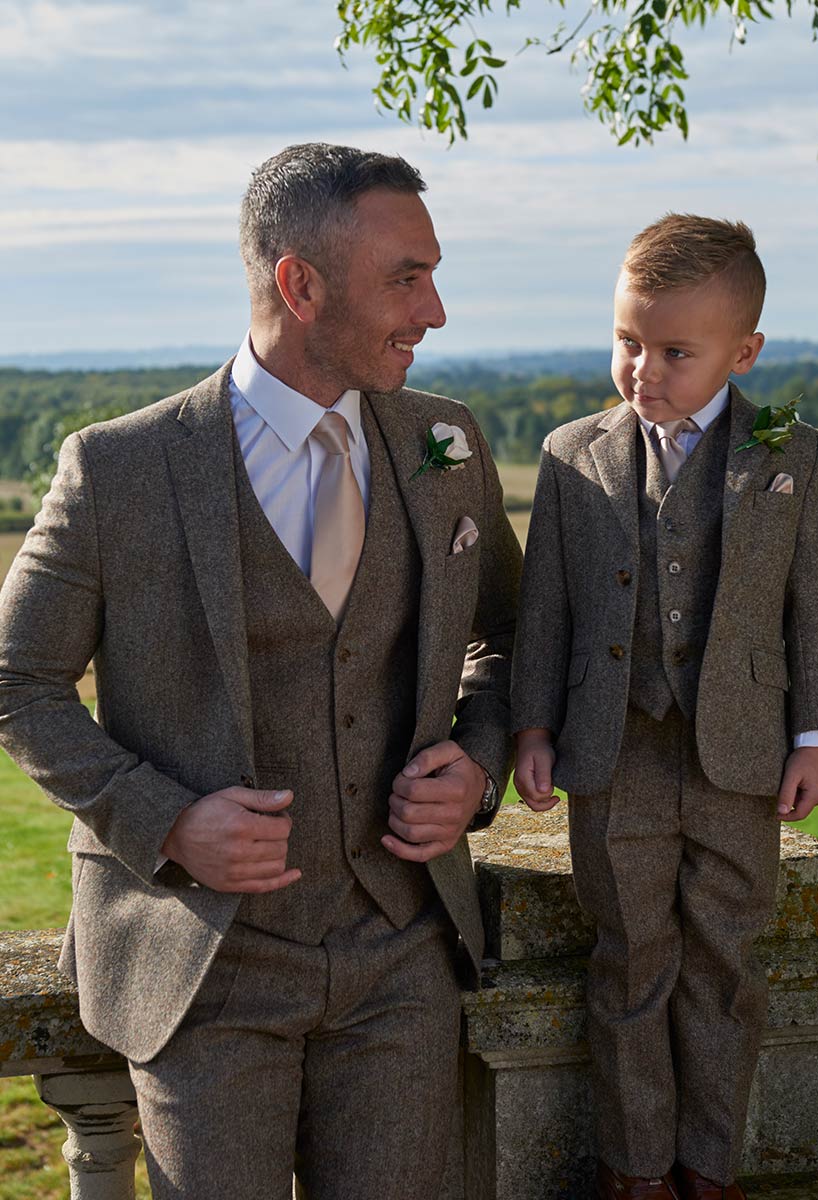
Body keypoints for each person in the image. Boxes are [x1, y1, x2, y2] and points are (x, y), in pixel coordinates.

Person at [0, 143, 522, 1199]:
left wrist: (475, 761)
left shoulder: (448, 445)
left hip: (400, 957)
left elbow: (509, 640)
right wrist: (168, 819)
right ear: (299, 282)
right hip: (203, 970)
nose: (436, 311)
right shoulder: (120, 468)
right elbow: (17, 682)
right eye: (405, 278)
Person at [511, 214, 818, 1200]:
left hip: (739, 755)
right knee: (630, 961)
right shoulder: (573, 454)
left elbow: (814, 605)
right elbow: (546, 608)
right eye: (626, 340)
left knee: (720, 964)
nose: (641, 368)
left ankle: (710, 1167)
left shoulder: (793, 448)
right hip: (616, 752)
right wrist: (532, 724)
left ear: (743, 352)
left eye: (673, 351)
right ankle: (637, 1169)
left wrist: (816, 737)